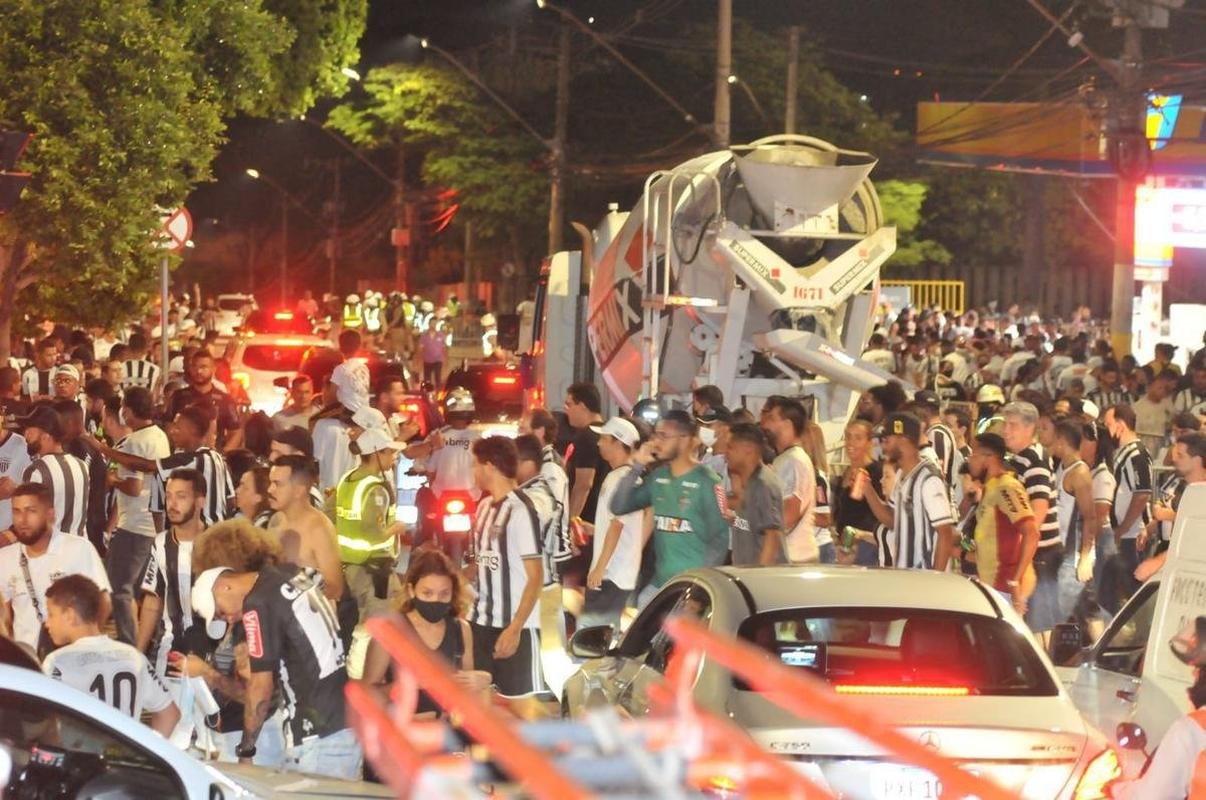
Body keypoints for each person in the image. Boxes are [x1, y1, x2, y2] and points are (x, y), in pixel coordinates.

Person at [191, 558, 361, 779]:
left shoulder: (258, 603)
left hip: (318, 736)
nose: (230, 620)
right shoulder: (288, 574)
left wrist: (246, 749)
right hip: (343, 723)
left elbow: (260, 687)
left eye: (221, 613)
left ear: (226, 586)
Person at [610, 410, 729, 606]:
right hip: (660, 587)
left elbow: (719, 541)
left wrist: (699, 590)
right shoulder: (658, 478)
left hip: (691, 590)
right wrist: (637, 466)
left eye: (663, 435)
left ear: (684, 439)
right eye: (655, 434)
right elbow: (619, 505)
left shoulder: (708, 482)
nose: (656, 441)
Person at [42, 575, 180, 736]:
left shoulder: (57, 662)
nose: (47, 623)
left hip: (80, 759)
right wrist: (149, 755)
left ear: (70, 615)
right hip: (122, 758)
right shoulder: (134, 657)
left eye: (51, 614)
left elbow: (45, 721)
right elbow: (170, 714)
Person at [465, 436, 546, 710]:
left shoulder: (522, 510)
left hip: (515, 626)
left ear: (489, 466)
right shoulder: (484, 507)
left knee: (521, 709)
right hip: (481, 623)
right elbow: (479, 565)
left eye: (475, 465)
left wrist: (514, 629)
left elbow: (536, 577)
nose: (473, 472)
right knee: (480, 706)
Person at [359, 549, 480, 716]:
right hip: (404, 729)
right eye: (427, 593)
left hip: (446, 730)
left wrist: (481, 682)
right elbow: (367, 694)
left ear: (453, 594)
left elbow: (468, 691)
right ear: (411, 590)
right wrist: (407, 685)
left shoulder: (461, 630)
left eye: (444, 594)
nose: (435, 601)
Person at [0, 483, 110, 655]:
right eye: (16, 511)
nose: (22, 520)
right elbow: (4, 617)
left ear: (50, 514)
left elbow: (103, 601)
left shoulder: (78, 549)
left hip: (72, 661)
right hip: (29, 665)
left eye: (31, 511)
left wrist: (86, 647)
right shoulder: (5, 558)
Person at [1110, 616, 1206, 799]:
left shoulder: (1192, 731)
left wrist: (1117, 790)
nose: (1193, 674)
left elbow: (1154, 796)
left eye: (1198, 670)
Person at [103, 388, 170, 645]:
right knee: (142, 591)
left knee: (119, 589)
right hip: (152, 524)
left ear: (127, 411)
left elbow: (133, 486)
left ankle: (129, 643)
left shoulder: (133, 442)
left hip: (133, 526)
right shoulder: (159, 436)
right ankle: (144, 640)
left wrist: (112, 480)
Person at [98, 403, 234, 528]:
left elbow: (146, 465)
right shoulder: (217, 458)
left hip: (198, 538)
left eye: (178, 427)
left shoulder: (190, 459)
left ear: (192, 431)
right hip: (215, 535)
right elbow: (230, 500)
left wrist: (101, 448)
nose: (172, 431)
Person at [863, 412, 958, 571]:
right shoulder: (902, 475)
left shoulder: (928, 479)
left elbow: (945, 533)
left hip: (924, 578)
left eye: (887, 440)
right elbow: (892, 520)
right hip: (906, 575)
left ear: (904, 440)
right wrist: (867, 489)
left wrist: (936, 578)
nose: (882, 445)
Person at [334, 410, 405, 622]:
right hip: (372, 571)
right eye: (389, 452)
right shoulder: (375, 488)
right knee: (379, 627)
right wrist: (397, 527)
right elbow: (375, 533)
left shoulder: (347, 479)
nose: (393, 458)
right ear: (376, 453)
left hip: (349, 566)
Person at [999, 402, 1063, 638]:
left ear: (1030, 428)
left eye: (1012, 425)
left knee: (1038, 625)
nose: (1006, 430)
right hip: (1029, 552)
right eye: (1005, 424)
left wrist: (1023, 556)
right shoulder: (1018, 459)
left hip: (1040, 553)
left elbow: (1038, 510)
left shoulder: (1034, 460)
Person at [579, 417, 644, 631]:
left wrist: (599, 568)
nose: (598, 443)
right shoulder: (621, 477)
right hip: (616, 572)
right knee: (606, 633)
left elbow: (617, 526)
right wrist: (595, 529)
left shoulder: (623, 480)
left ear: (618, 442)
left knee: (590, 632)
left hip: (611, 574)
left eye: (603, 439)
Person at [966, 433, 1038, 615]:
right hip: (990, 587)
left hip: (1003, 590)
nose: (969, 461)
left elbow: (1031, 533)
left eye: (973, 455)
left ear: (989, 458)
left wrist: (1015, 581)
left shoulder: (1006, 487)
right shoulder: (989, 488)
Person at [265, 455, 346, 610]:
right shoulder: (276, 520)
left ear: (298, 490)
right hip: (278, 616)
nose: (270, 489)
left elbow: (335, 588)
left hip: (309, 620)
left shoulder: (319, 529)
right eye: (270, 482)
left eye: (277, 484)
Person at [1104, 404, 1153, 597]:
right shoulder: (1123, 452)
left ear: (1120, 425)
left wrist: (1123, 528)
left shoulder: (1137, 454)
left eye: (1108, 424)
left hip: (1131, 535)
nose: (1106, 429)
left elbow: (1142, 493)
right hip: (1123, 533)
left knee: (1134, 589)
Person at [18, 405, 90, 538]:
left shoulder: (36, 471)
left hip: (49, 550)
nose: (25, 435)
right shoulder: (82, 466)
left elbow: (29, 521)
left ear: (46, 436)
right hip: (77, 549)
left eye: (30, 431)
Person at [761, 397, 818, 564]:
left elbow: (789, 515)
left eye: (771, 419)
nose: (764, 425)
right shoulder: (785, 459)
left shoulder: (794, 461)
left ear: (787, 424)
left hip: (794, 559)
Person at [725, 423, 787, 567]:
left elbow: (772, 536)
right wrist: (735, 520)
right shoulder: (749, 484)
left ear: (748, 449)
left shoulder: (763, 484)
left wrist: (759, 577)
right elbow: (754, 525)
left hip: (763, 582)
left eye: (730, 447)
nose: (725, 452)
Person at [563, 383, 610, 550]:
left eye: (569, 404)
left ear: (582, 405)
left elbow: (583, 484)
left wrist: (570, 523)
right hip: (604, 521)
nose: (566, 410)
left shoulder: (586, 437)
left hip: (586, 524)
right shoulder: (608, 433)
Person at [832, 418, 884, 566]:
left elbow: (880, 513)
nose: (851, 443)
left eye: (858, 438)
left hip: (865, 546)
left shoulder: (876, 473)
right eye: (848, 437)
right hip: (844, 546)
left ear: (869, 442)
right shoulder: (845, 473)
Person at [165, 351, 243, 449]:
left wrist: (223, 455)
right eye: (195, 367)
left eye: (204, 367)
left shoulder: (225, 400)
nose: (199, 371)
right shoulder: (179, 396)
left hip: (212, 454)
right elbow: (168, 425)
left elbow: (236, 432)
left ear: (213, 369)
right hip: (181, 455)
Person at [121, 332, 162, 398]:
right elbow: (156, 394)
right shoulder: (155, 369)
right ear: (145, 349)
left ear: (128, 349)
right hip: (147, 406)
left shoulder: (120, 368)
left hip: (126, 406)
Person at [418, 318, 447, 387]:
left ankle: (438, 394)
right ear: (429, 324)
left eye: (435, 323)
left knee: (438, 379)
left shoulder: (441, 335)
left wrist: (446, 359)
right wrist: (419, 359)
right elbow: (420, 348)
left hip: (438, 360)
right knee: (427, 380)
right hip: (427, 360)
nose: (433, 325)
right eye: (432, 323)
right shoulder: (424, 335)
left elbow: (444, 348)